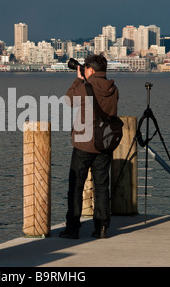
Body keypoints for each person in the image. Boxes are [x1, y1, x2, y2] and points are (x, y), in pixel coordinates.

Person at [60, 54, 119, 239]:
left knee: (76, 186)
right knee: (102, 186)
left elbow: (68, 101)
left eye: (85, 68)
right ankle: (102, 228)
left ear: (91, 70)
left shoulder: (86, 87)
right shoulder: (113, 88)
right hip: (105, 144)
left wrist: (78, 81)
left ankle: (73, 228)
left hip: (84, 144)